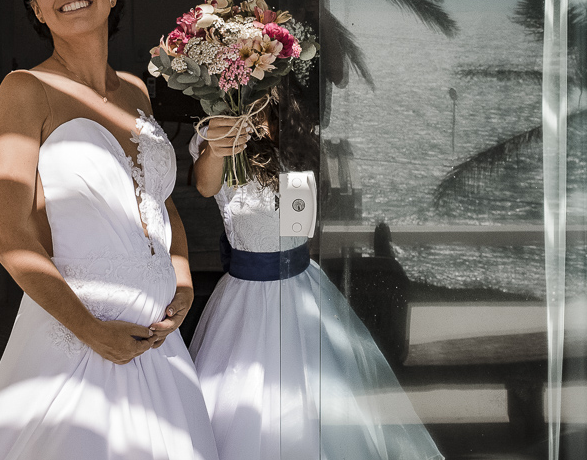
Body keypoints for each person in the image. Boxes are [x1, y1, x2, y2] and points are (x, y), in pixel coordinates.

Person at [0, 0, 218, 460]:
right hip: (77, 335)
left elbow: (157, 200)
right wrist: (90, 331)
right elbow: (5, 234)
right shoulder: (25, 89)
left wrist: (184, 282)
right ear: (35, 6)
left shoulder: (136, 91)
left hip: (157, 341)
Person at [187, 92, 443, 460]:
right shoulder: (217, 130)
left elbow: (300, 226)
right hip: (246, 293)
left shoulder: (295, 132)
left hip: (300, 284)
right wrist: (218, 146)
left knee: (319, 402)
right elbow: (205, 186)